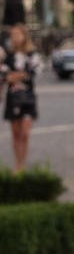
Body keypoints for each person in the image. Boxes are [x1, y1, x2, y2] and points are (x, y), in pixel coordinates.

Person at [2, 24, 43, 172]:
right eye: (13, 35)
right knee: (15, 133)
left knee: (25, 133)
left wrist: (16, 76)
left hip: (27, 98)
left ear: (24, 36)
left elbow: (33, 72)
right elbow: (5, 75)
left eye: (18, 34)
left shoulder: (31, 54)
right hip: (12, 98)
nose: (15, 38)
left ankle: (23, 164)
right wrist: (16, 76)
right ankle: (18, 165)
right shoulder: (8, 55)